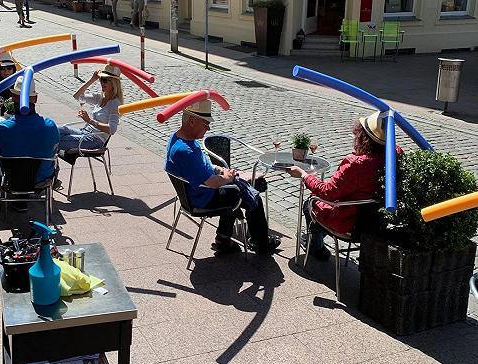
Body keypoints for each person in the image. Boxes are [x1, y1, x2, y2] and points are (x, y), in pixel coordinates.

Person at [165, 100, 280, 254]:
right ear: (192, 121)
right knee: (253, 195)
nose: (208, 128)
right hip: (203, 198)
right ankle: (261, 244)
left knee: (245, 187)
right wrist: (229, 177)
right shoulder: (185, 151)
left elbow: (201, 165)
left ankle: (223, 239)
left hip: (195, 193)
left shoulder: (178, 139)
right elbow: (212, 183)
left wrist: (218, 168)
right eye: (205, 124)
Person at [286, 112, 402, 261]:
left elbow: (328, 192)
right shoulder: (395, 154)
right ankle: (315, 238)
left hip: (349, 221)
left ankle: (316, 247)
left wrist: (303, 175)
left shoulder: (356, 164)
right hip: (375, 221)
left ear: (363, 137)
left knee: (309, 203)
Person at [0, 76, 59, 212]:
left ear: (13, 97)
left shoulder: (3, 128)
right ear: (35, 99)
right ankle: (22, 201)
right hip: (41, 180)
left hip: (11, 180)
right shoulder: (51, 126)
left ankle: (17, 200)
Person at [58, 64, 123, 153]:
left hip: (95, 140)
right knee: (57, 130)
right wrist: (92, 80)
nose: (102, 83)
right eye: (101, 80)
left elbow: (112, 130)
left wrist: (89, 121)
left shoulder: (115, 104)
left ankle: (46, 164)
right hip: (85, 132)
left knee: (55, 139)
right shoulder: (100, 97)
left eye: (105, 80)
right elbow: (77, 96)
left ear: (113, 83)